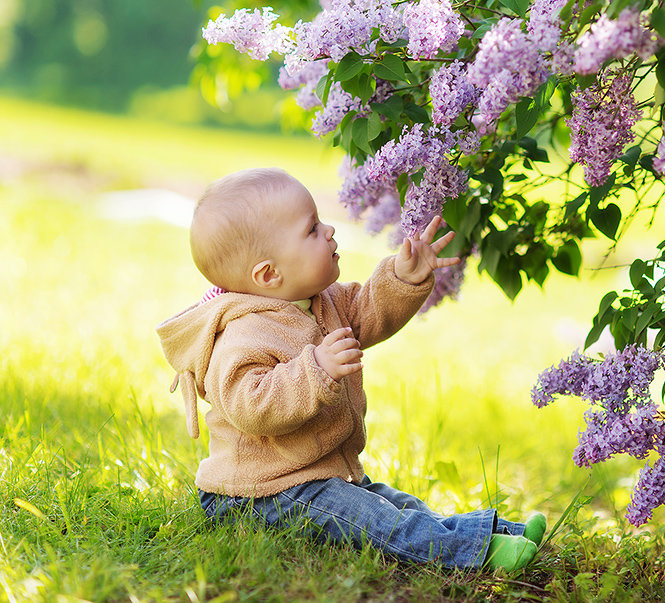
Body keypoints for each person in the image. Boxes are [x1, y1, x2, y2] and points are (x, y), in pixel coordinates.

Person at [157, 167, 545, 571]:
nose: (329, 231)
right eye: (311, 230)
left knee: (394, 504)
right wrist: (316, 369)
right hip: (258, 495)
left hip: (312, 476)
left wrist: (402, 278)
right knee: (379, 522)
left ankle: (489, 532)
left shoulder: (321, 301)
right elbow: (251, 405)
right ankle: (475, 554)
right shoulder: (242, 333)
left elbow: (368, 311)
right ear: (270, 274)